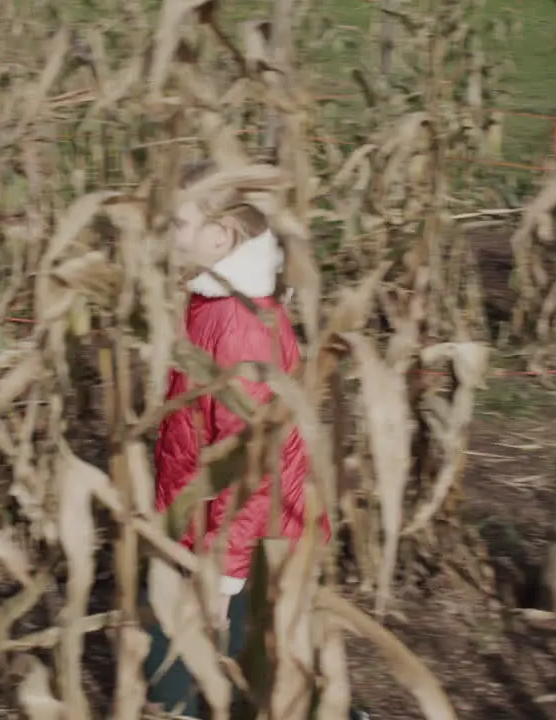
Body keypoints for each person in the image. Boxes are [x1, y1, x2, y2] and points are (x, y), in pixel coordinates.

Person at [144, 160, 350, 718]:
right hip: (207, 530)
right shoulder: (213, 300)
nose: (168, 235)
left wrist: (224, 574)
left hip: (242, 544)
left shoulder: (236, 325)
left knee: (184, 682)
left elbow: (255, 462)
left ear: (220, 236)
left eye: (178, 224)